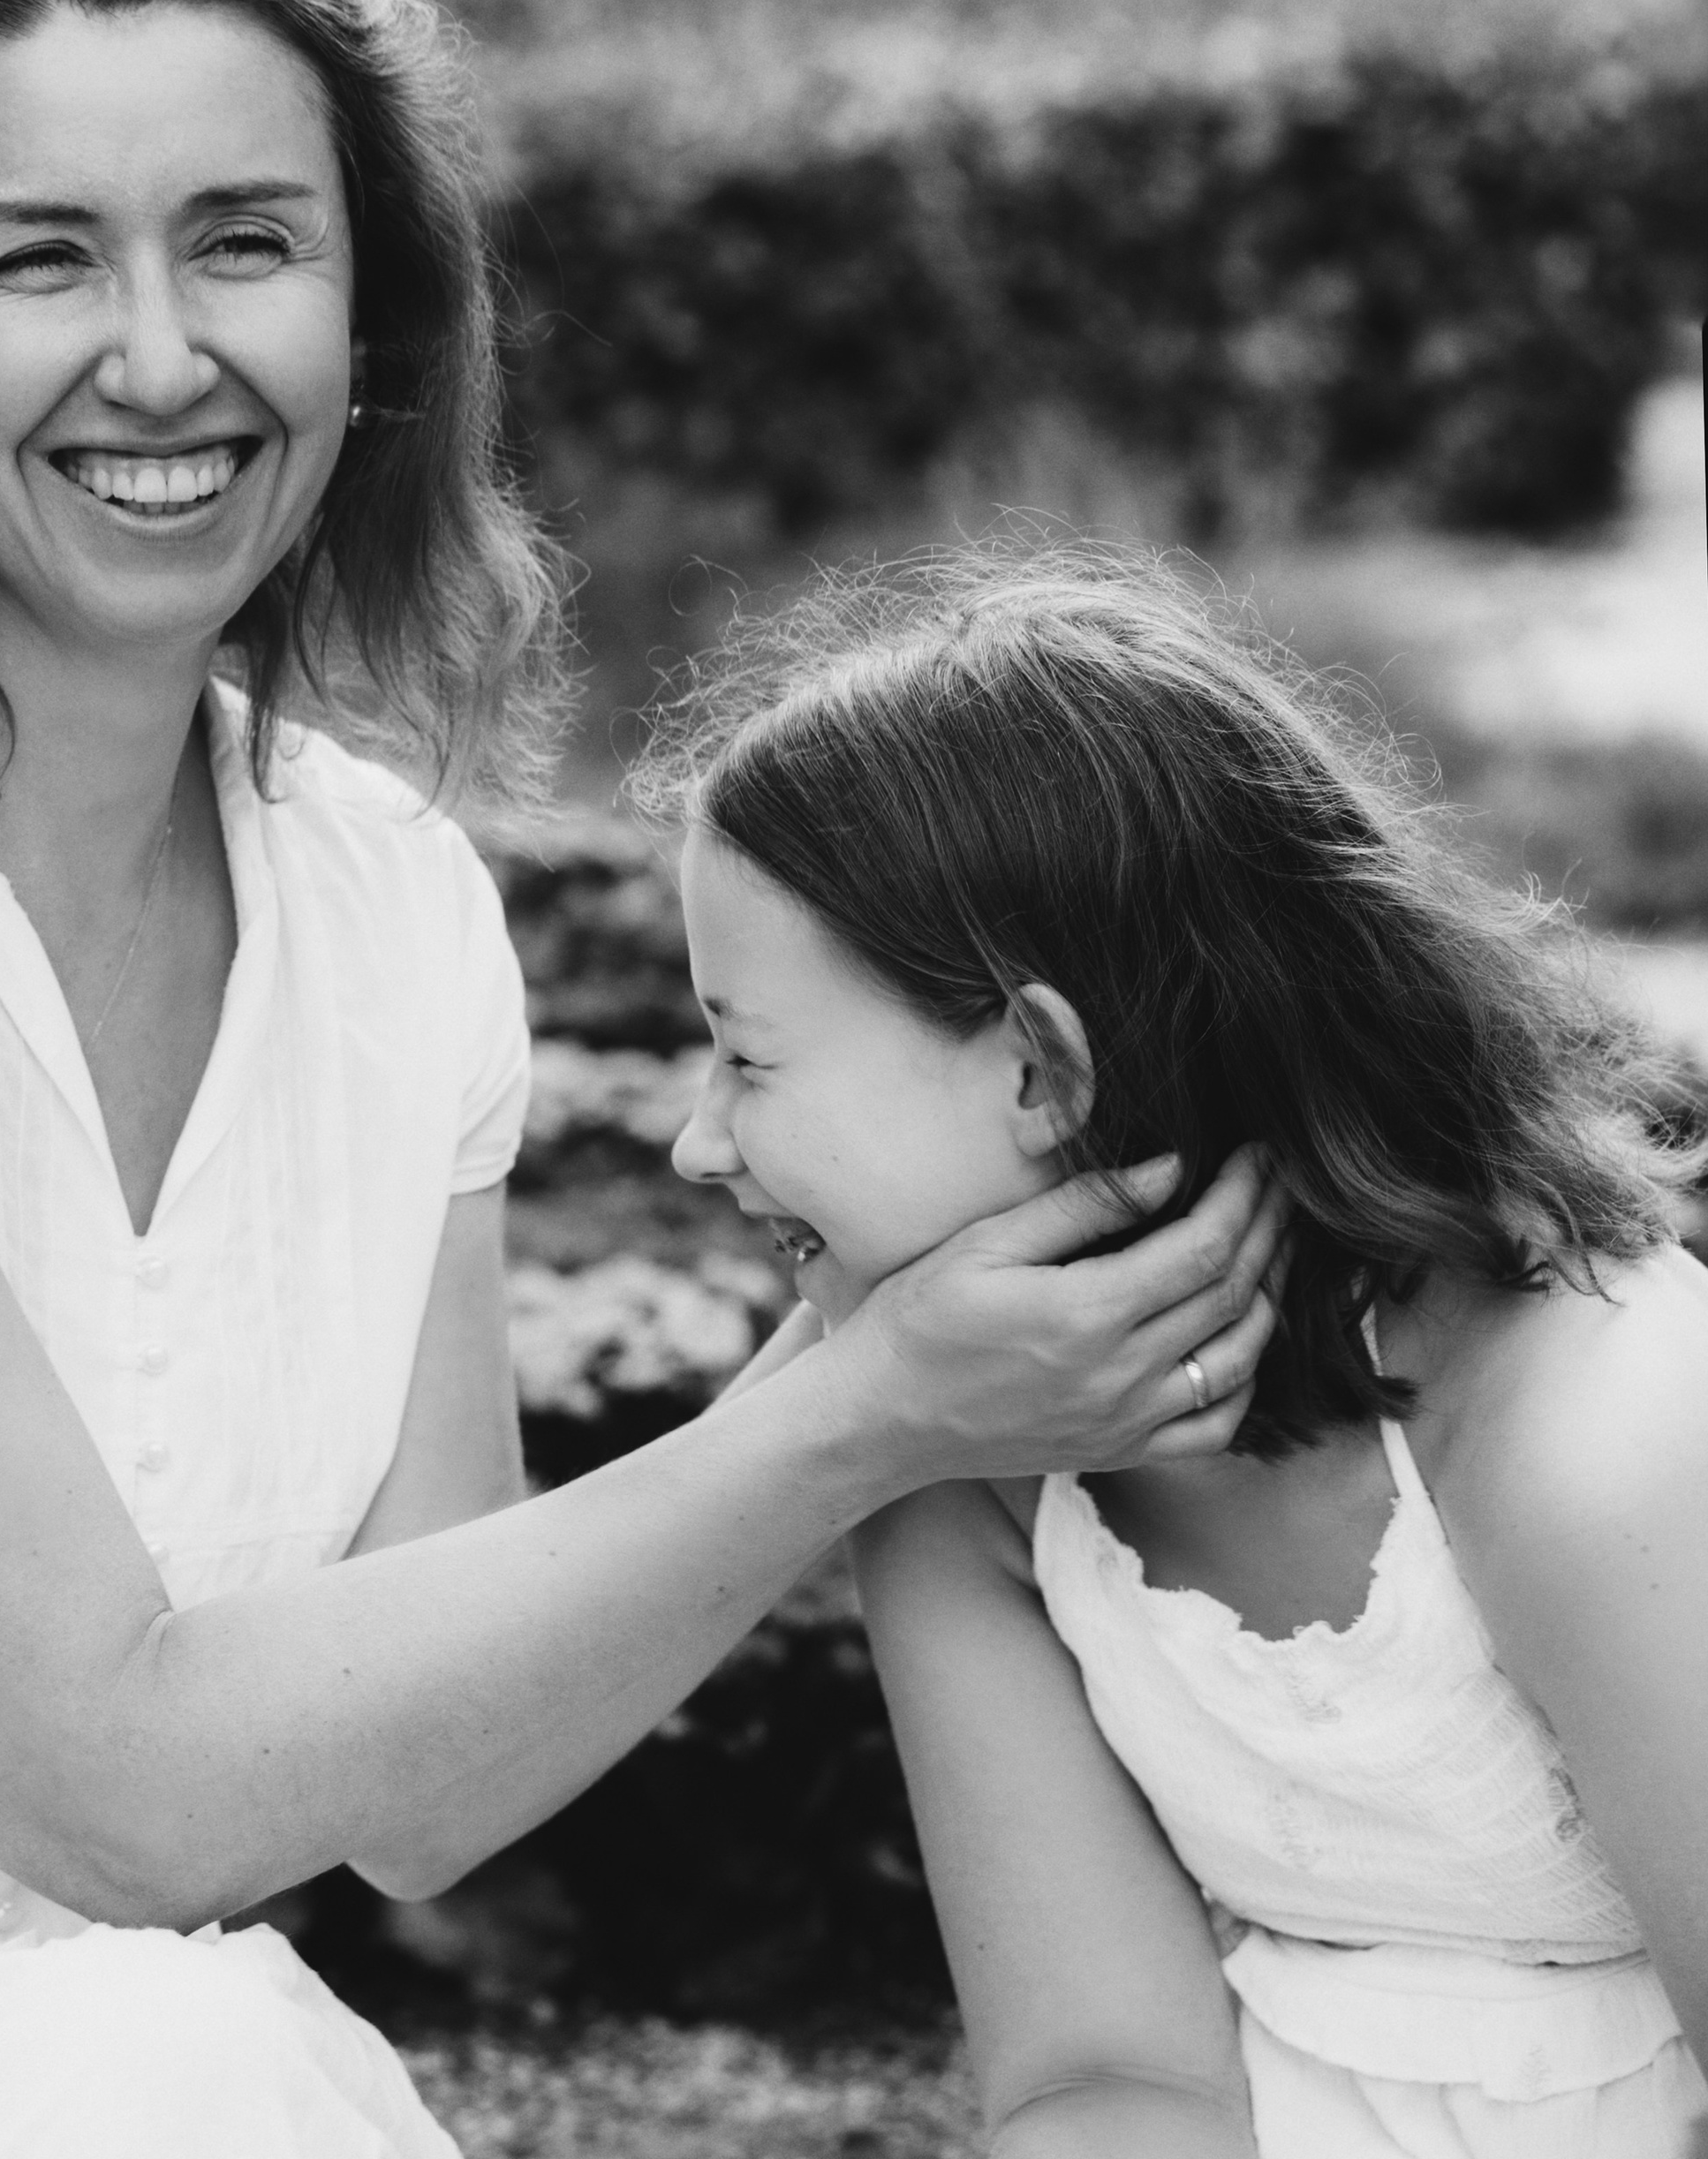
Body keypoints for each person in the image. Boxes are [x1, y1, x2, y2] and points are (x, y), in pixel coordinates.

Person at [0, 0, 1282, 2158]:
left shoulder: (386, 897)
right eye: (38, 261)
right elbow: (118, 1796)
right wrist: (849, 1424)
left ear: (370, 325)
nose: (163, 355)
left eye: (248, 243)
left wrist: (886, 1340)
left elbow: (431, 1797)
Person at [641, 536, 1708, 2157]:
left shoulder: (1591, 1442)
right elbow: (1101, 2077)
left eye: (749, 1059)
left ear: (1041, 1070)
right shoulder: (952, 1463)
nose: (695, 1146)